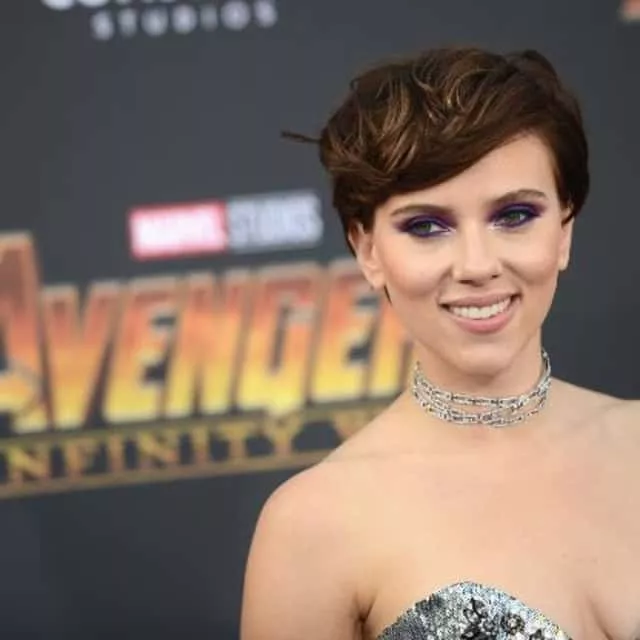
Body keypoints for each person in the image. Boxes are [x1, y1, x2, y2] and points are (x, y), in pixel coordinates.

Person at [239, 47, 640, 640]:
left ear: (564, 231)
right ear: (368, 250)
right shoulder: (313, 523)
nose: (477, 265)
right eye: (426, 226)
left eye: (515, 215)